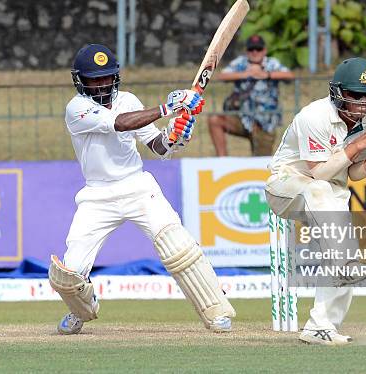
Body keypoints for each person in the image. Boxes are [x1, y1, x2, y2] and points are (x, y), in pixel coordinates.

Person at [48, 44, 235, 335]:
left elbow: (158, 147)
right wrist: (168, 107)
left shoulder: (129, 100)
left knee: (178, 245)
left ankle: (216, 311)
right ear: (80, 81)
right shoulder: (77, 109)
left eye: (106, 78)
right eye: (93, 80)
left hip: (137, 186)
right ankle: (80, 311)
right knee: (68, 274)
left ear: (115, 77)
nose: (101, 85)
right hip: (97, 196)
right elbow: (121, 124)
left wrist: (174, 137)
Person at [265, 57, 366, 345]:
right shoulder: (313, 116)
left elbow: (350, 173)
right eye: (355, 95)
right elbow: (319, 173)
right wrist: (360, 145)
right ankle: (346, 263)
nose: (363, 103)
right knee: (323, 197)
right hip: (286, 186)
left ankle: (321, 327)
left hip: (328, 193)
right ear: (339, 92)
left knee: (340, 240)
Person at [208, 35, 295, 156]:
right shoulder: (240, 63)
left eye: (258, 49)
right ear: (246, 51)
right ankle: (222, 161)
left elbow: (290, 76)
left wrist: (266, 74)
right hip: (243, 119)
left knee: (260, 166)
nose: (255, 52)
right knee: (214, 120)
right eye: (251, 49)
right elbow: (222, 76)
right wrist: (246, 74)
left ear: (264, 50)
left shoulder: (272, 63)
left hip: (265, 124)